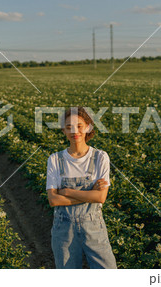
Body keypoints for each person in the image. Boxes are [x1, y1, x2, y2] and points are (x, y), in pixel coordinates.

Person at [46, 106, 117, 269]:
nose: (74, 131)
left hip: (94, 226)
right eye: (69, 127)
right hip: (63, 228)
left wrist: (67, 192)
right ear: (63, 130)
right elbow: (53, 200)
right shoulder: (55, 159)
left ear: (88, 127)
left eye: (79, 125)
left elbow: (100, 198)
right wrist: (89, 193)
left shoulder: (100, 157)